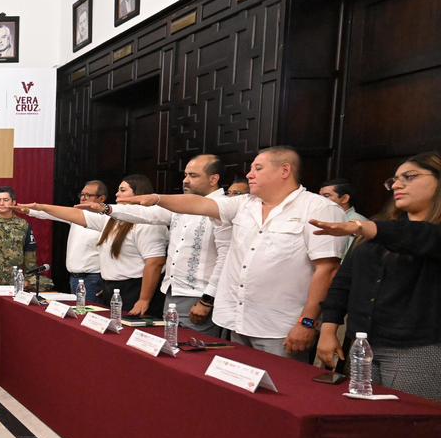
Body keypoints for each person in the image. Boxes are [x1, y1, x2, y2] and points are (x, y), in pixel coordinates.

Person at [125, 146, 344, 360]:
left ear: (284, 170)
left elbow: (327, 271)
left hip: (280, 327)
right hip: (237, 321)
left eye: (258, 168)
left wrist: (307, 322)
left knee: (280, 383)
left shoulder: (319, 209)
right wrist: (157, 199)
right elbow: (199, 204)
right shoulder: (245, 204)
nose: (249, 174)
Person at [314, 151, 440, 400]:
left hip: (416, 347)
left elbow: (418, 237)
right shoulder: (375, 228)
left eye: (410, 176)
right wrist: (328, 330)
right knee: (362, 416)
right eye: (394, 180)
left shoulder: (375, 229)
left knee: (408, 418)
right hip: (362, 343)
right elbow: (343, 283)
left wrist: (363, 227)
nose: (397, 185)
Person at [86, 155, 231, 334]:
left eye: (193, 175)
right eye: (185, 175)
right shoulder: (181, 205)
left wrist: (207, 300)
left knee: (194, 349)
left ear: (213, 179)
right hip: (171, 291)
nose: (185, 180)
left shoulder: (225, 207)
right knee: (170, 345)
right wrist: (107, 208)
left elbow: (226, 258)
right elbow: (146, 214)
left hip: (199, 295)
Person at [20, 174, 168, 315]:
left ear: (139, 194)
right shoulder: (111, 219)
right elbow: (76, 214)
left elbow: (155, 262)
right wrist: (39, 207)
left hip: (135, 289)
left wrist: (144, 299)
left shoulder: (150, 223)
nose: (117, 194)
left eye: (122, 190)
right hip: (112, 288)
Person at [0, 187, 51, 288]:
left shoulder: (23, 224)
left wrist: (29, 280)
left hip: (14, 281)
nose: (1, 203)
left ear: (13, 202)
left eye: (6, 200)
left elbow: (30, 253)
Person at [64, 180, 106, 302]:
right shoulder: (76, 215)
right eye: (82, 194)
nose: (83, 198)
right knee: (76, 312)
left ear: (101, 198)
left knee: (89, 312)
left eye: (88, 195)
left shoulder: (106, 219)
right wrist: (29, 210)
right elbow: (49, 213)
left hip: (93, 279)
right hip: (74, 278)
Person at [318, 177, 367, 258]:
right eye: (319, 196)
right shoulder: (325, 218)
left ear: (344, 198)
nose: (320, 200)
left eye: (326, 196)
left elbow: (350, 258)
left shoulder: (357, 222)